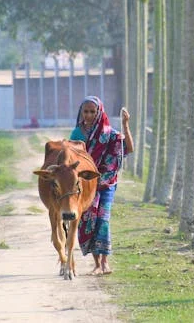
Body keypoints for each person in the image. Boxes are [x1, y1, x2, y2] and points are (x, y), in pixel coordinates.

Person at [70, 95, 134, 275]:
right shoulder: (76, 134)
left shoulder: (109, 133)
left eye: (92, 111)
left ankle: (105, 263)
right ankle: (96, 264)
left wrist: (125, 125)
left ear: (99, 112)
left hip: (106, 185)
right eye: (86, 111)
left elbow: (128, 148)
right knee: (88, 221)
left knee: (103, 220)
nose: (89, 115)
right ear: (81, 112)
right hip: (85, 185)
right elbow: (72, 159)